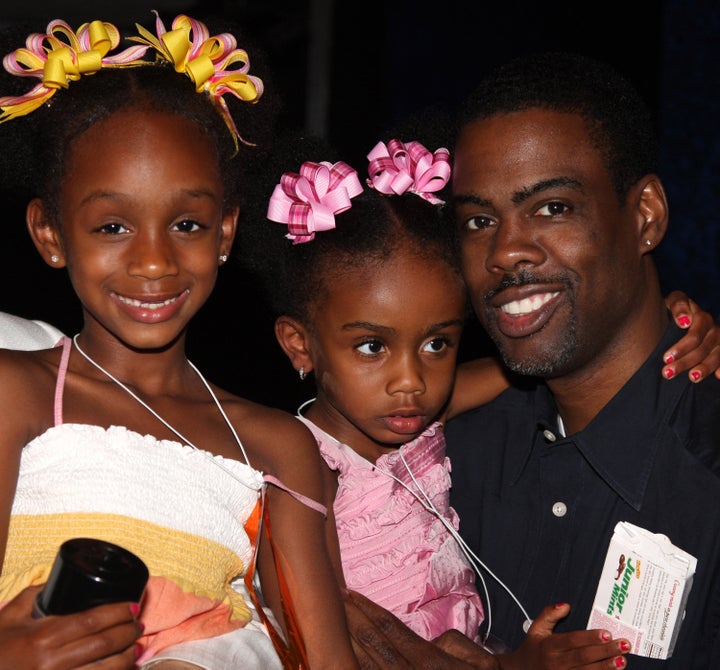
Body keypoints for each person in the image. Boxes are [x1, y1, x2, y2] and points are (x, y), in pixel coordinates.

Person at [240, 132, 720, 670]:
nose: (410, 380)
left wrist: (665, 321)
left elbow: (537, 358)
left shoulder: (423, 416)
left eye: (436, 343)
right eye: (372, 347)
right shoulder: (303, 468)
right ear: (299, 344)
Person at [0, 13, 357, 670]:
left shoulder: (277, 447)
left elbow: (326, 659)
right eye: (112, 226)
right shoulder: (13, 394)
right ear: (50, 233)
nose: (156, 261)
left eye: (187, 222)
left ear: (225, 232)